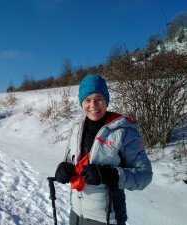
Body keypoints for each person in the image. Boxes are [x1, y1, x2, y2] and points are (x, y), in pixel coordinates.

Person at [55, 74, 153, 225]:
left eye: (99, 98)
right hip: (75, 212)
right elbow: (70, 160)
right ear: (82, 102)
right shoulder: (77, 129)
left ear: (106, 100)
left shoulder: (124, 131)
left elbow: (145, 175)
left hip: (106, 217)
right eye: (87, 100)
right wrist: (64, 168)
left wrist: (111, 175)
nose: (93, 105)